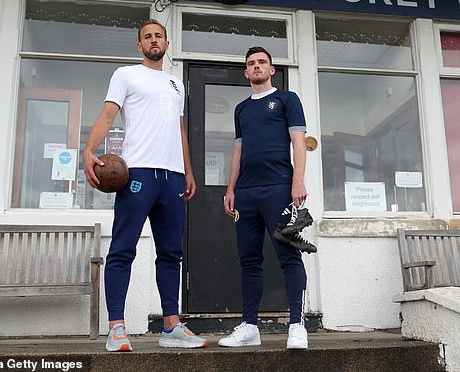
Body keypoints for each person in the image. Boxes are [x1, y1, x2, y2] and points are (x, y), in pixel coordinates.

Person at [83, 19, 207, 351]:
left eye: (159, 36)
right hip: (136, 174)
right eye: (147, 37)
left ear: (167, 44)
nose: (154, 40)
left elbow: (178, 130)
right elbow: (108, 114)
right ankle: (116, 328)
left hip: (173, 178)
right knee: (122, 250)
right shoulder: (126, 75)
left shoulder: (176, 83)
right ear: (140, 46)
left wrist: (189, 171)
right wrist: (88, 150)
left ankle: (171, 326)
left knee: (171, 253)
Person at [220, 46, 314, 350]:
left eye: (262, 62)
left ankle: (297, 325)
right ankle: (250, 326)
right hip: (246, 193)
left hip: (279, 187)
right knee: (249, 260)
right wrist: (230, 188)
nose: (257, 66)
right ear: (246, 73)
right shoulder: (242, 109)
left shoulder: (287, 100)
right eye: (251, 63)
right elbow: (238, 151)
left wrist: (297, 181)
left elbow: (298, 143)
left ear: (272, 70)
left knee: (289, 255)